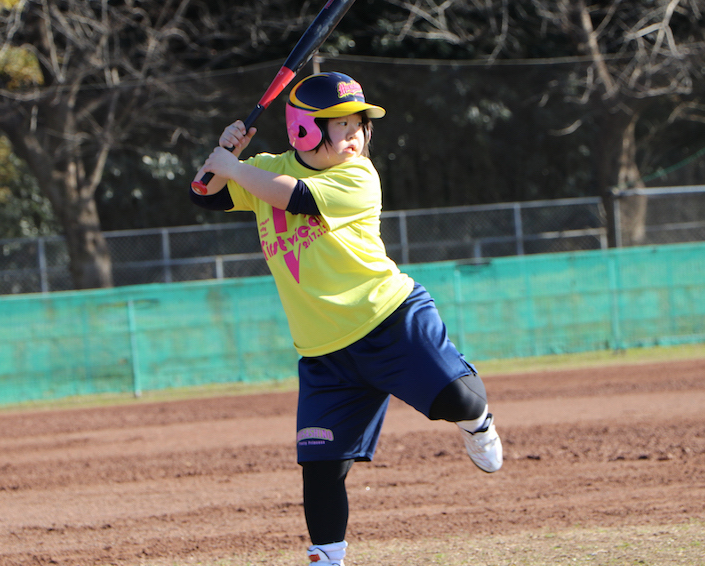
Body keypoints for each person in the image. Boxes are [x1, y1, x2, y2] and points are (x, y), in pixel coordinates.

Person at [189, 71, 502, 566]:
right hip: (323, 353)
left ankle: (479, 422)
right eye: (341, 124)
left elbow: (296, 197)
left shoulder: (357, 176)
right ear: (305, 129)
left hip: (390, 319)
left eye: (360, 124)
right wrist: (224, 154)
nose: (355, 134)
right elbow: (201, 194)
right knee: (321, 467)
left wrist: (233, 164)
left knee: (456, 400)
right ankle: (327, 557)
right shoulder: (263, 169)